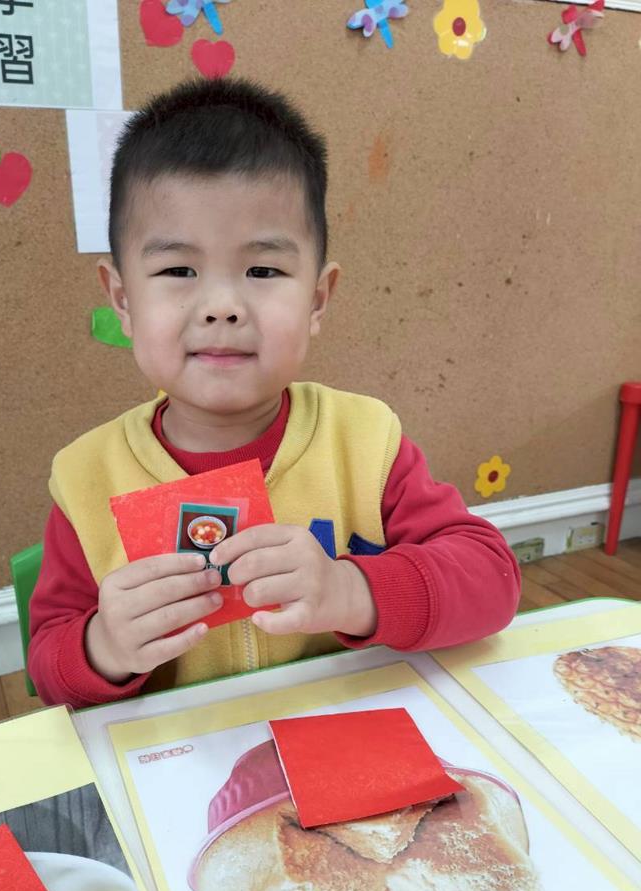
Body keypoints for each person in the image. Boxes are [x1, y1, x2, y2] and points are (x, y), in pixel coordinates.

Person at [28, 78, 520, 708]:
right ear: (123, 300)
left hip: (350, 739)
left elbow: (493, 580)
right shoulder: (86, 477)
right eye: (178, 269)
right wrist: (104, 646)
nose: (222, 306)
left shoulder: (364, 441)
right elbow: (49, 663)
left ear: (317, 299)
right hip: (184, 756)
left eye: (263, 270)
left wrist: (351, 590)